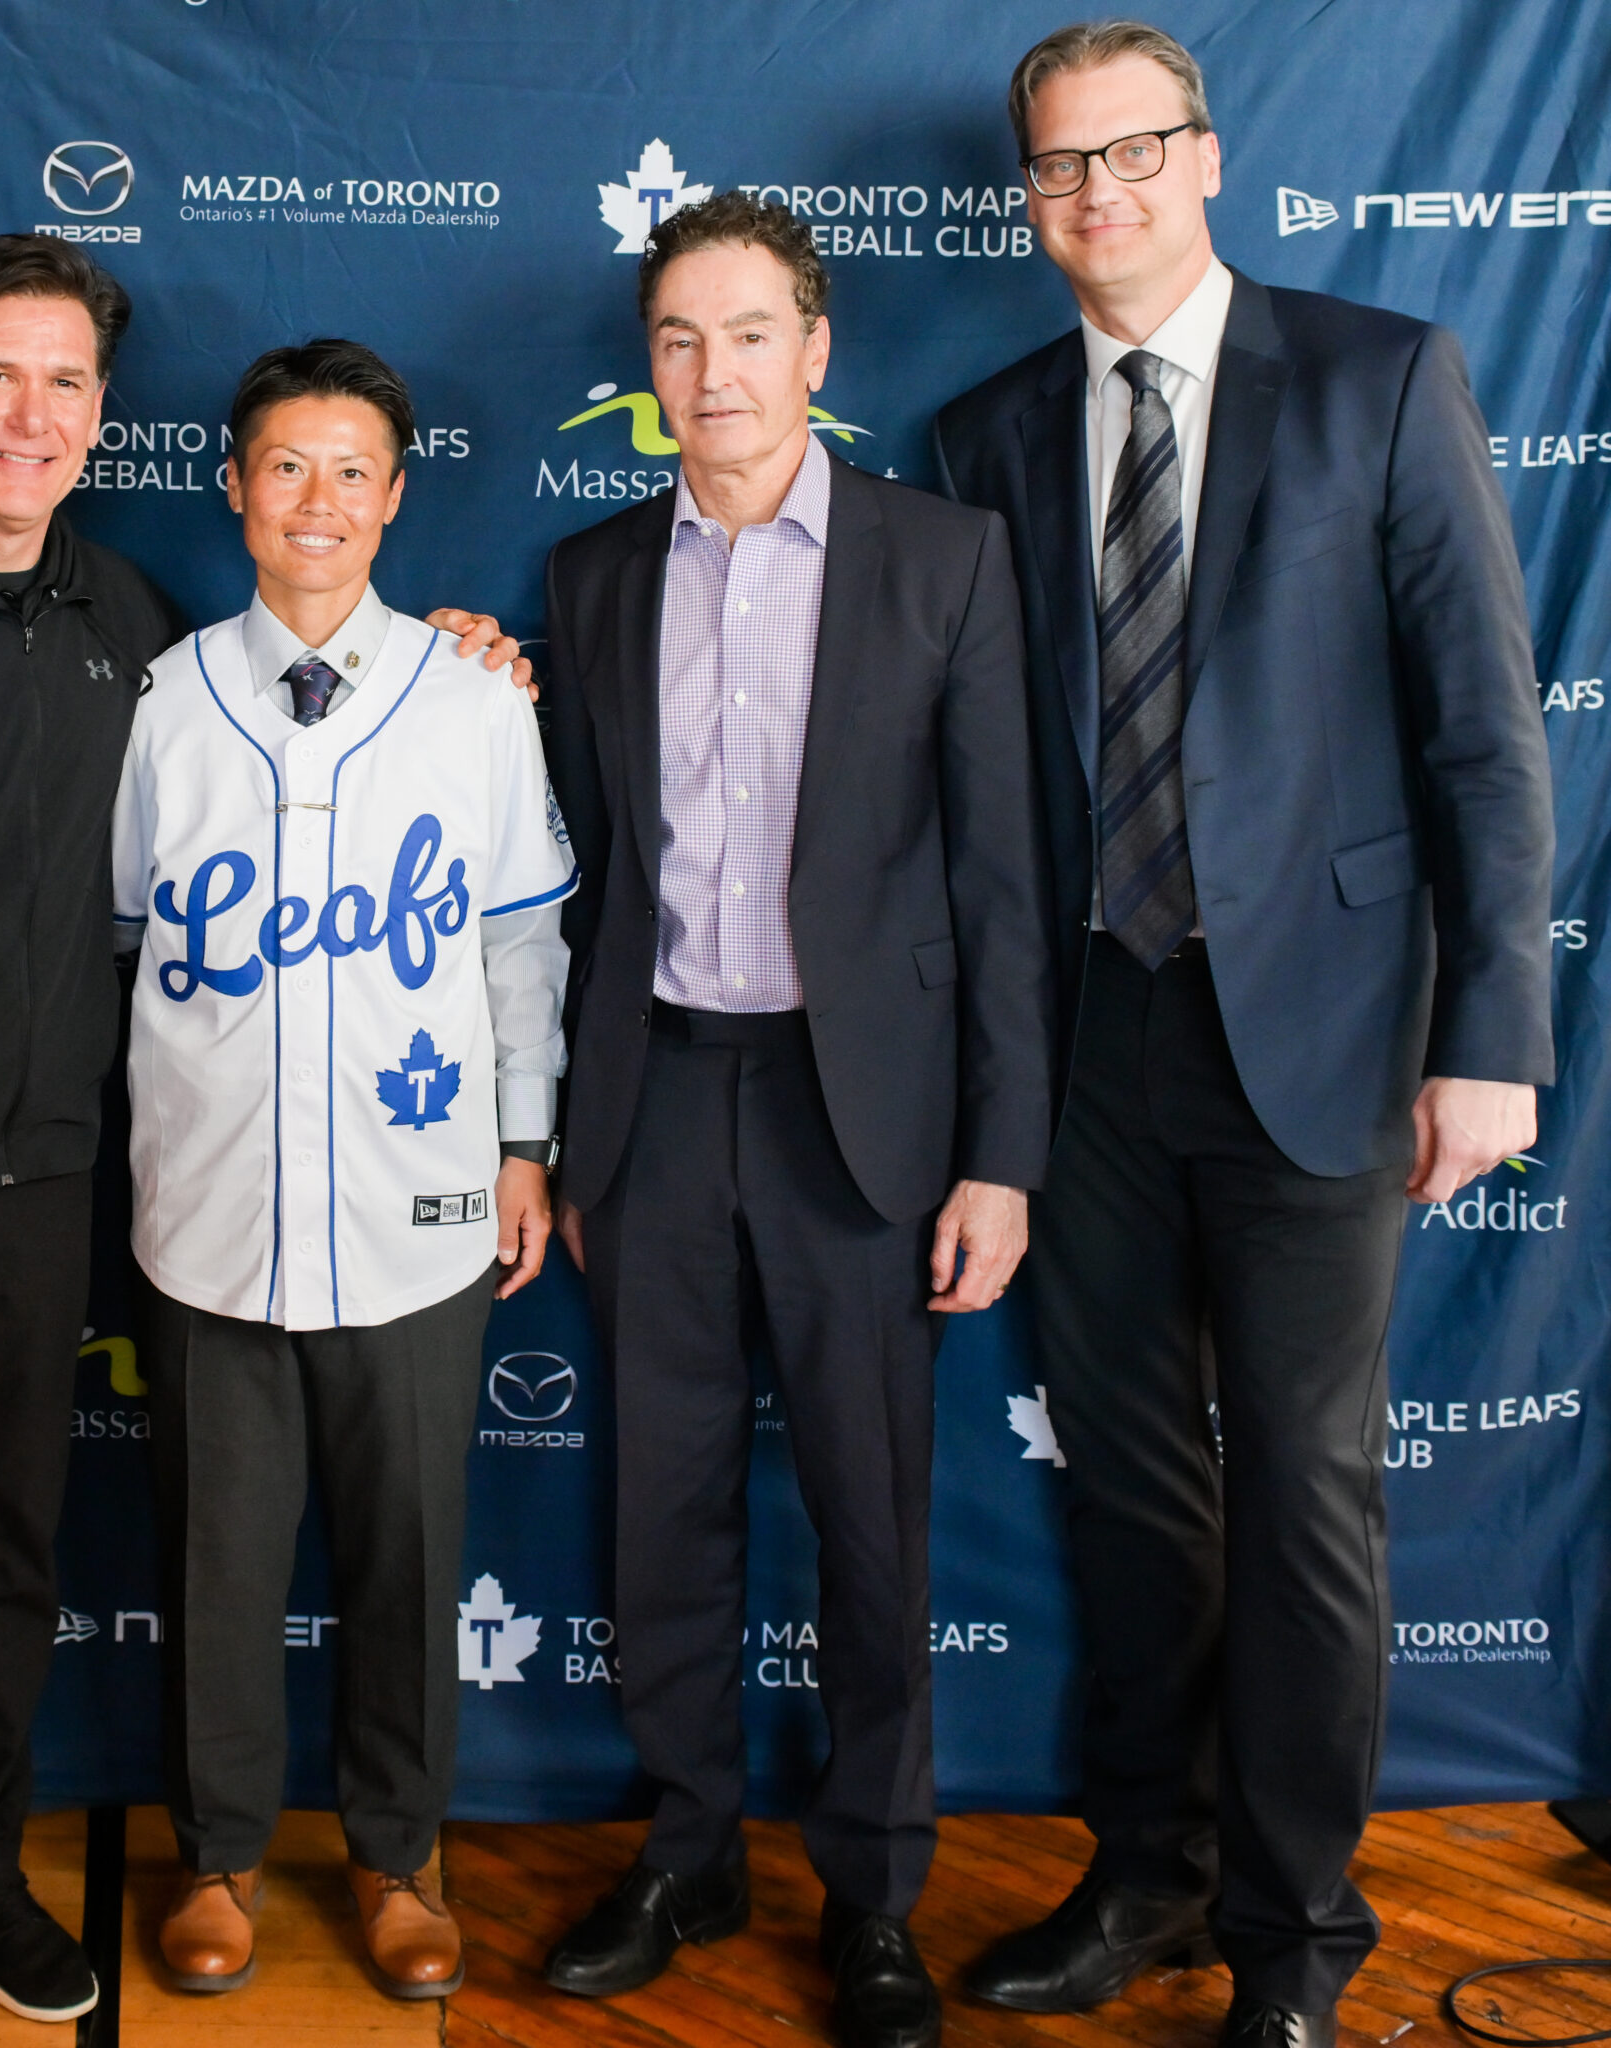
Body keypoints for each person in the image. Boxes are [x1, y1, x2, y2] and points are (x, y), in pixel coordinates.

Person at [0, 236, 535, 2048]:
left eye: (68, 384)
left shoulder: (123, 624)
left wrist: (476, 650)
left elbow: (441, 885)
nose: (34, 414)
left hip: (45, 1186)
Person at [933, 23, 1555, 2047]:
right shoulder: (988, 434)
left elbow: (1479, 730)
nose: (1092, 196)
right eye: (1053, 170)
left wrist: (1490, 1033)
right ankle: (1148, 1870)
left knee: (1301, 1495)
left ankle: (1295, 1945)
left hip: (1318, 1033)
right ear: (1023, 202)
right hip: (1086, 1045)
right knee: (1124, 1493)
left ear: (1206, 159)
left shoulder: (1376, 378)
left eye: (1128, 154)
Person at [535, 190, 1052, 2048]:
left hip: (870, 1118)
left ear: (816, 354)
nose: (714, 371)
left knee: (871, 1518)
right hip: (659, 1100)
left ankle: (878, 1893)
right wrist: (572, 1131)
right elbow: (577, 879)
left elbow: (1001, 882)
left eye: (750, 333)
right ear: (648, 367)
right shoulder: (591, 577)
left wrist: (1001, 1155)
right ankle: (689, 1850)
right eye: (680, 338)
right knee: (659, 1510)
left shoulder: (943, 561)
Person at [114, 339, 573, 2003]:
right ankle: (219, 1852)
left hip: (421, 1201)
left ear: (396, 492)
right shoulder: (161, 701)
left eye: (352, 470)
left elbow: (524, 946)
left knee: (408, 1550)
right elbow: (113, 938)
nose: (319, 501)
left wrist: (526, 1142)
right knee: (215, 1557)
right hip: (210, 1206)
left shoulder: (473, 701)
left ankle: (399, 1853)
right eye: (286, 467)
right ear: (233, 486)